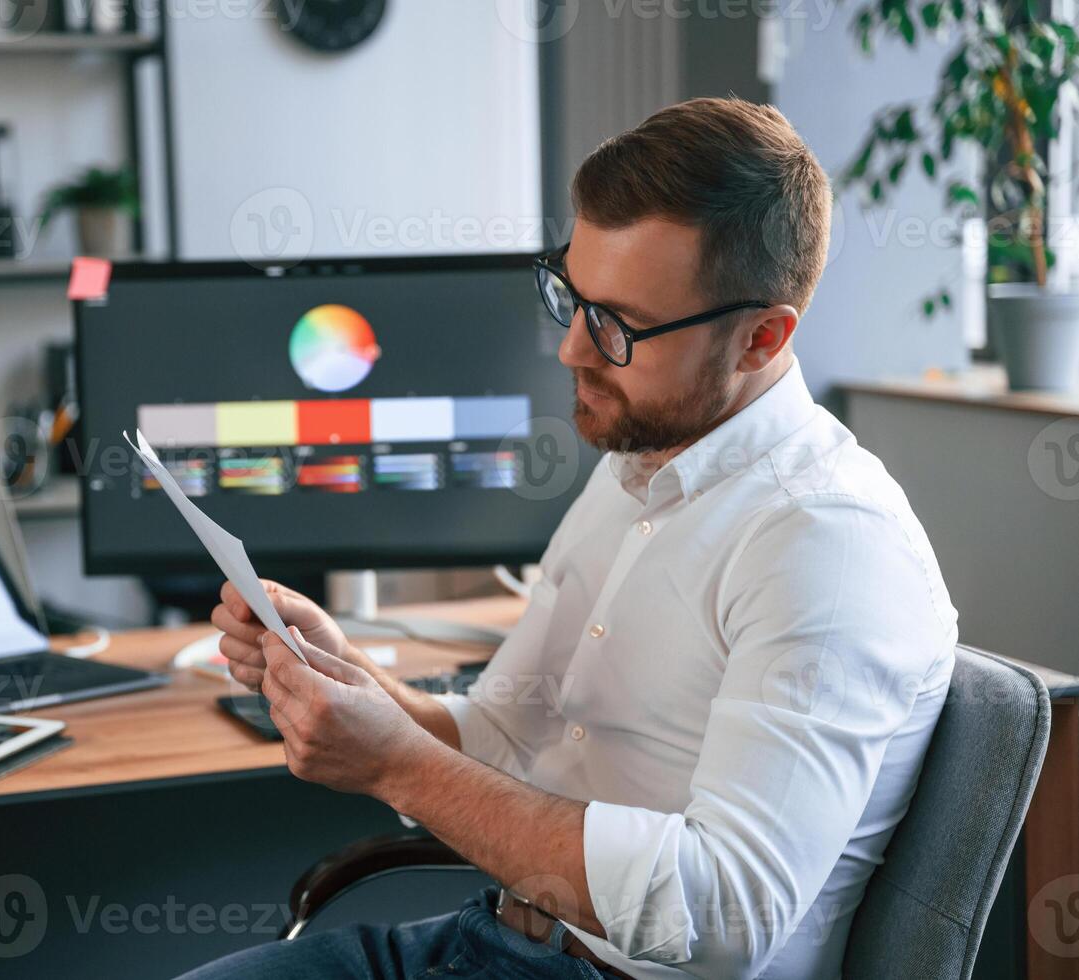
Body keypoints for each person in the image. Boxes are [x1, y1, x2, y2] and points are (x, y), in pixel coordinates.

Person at [181, 97, 957, 980]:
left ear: (761, 338)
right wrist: (354, 683)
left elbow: (723, 915)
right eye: (571, 297)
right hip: (500, 940)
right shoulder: (642, 459)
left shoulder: (824, 545)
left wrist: (395, 768)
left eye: (618, 325)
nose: (572, 351)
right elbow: (508, 740)